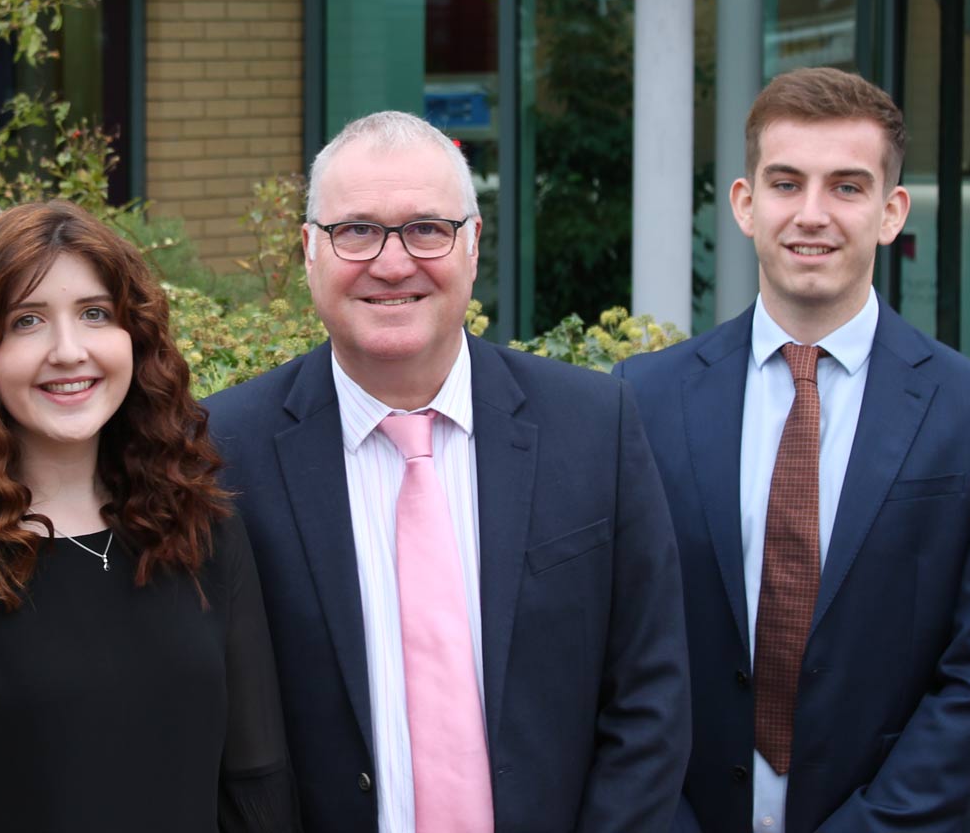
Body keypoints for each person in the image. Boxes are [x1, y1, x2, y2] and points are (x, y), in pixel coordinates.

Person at [203, 110, 691, 832]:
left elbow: (650, 697)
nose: (393, 263)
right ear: (310, 250)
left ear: (472, 246)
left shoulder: (595, 427)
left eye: (427, 229)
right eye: (356, 230)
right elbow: (206, 725)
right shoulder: (221, 451)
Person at [614, 67, 970, 832]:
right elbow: (610, 649)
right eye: (786, 184)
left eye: (846, 188)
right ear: (746, 206)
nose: (812, 214)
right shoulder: (640, 401)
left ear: (891, 213)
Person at [0, 199, 297, 833]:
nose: (68, 351)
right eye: (27, 321)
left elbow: (258, 785)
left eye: (95, 314)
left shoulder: (198, 524)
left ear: (134, 338)